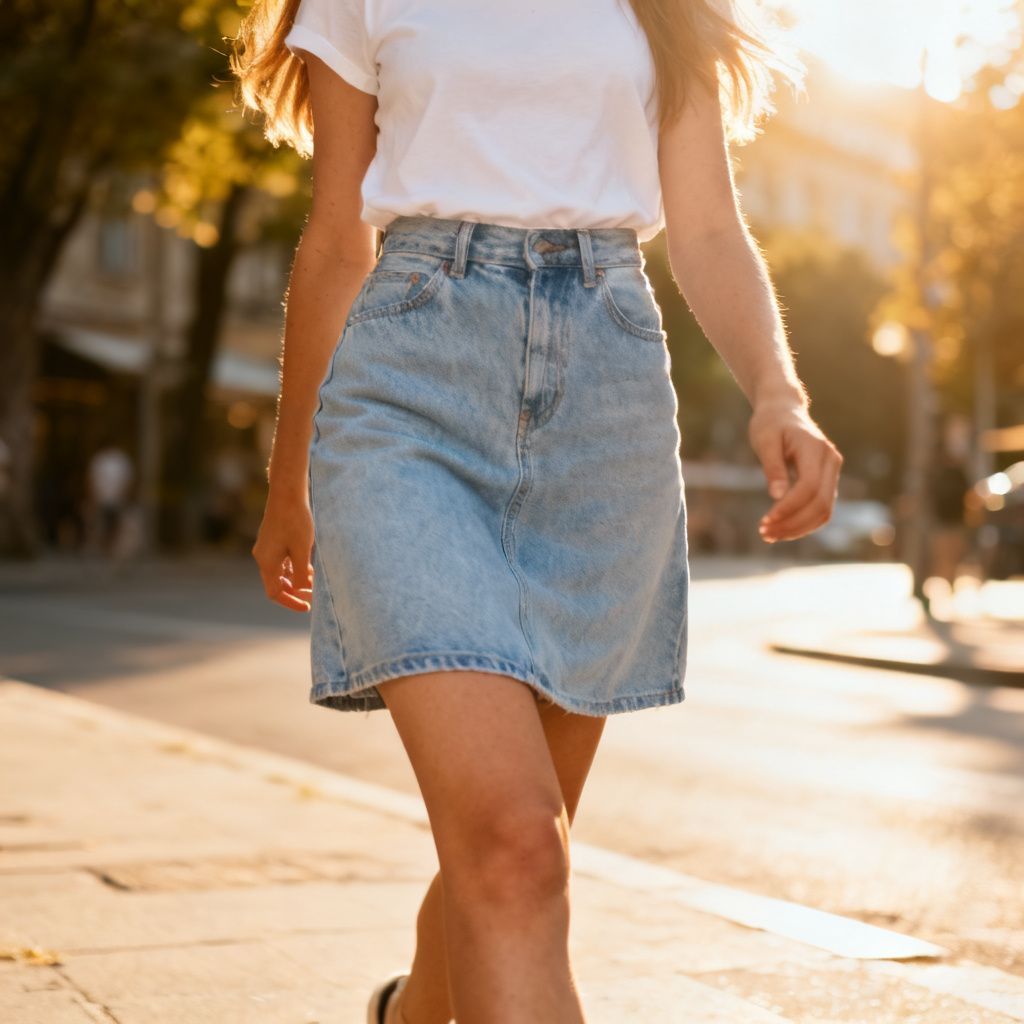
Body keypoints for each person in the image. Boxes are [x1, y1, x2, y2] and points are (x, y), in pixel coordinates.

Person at [234, 0, 842, 1020]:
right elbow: (337, 238)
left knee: (512, 850)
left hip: (605, 410)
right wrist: (287, 476)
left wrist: (779, 393)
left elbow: (703, 227)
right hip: (409, 395)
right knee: (515, 846)